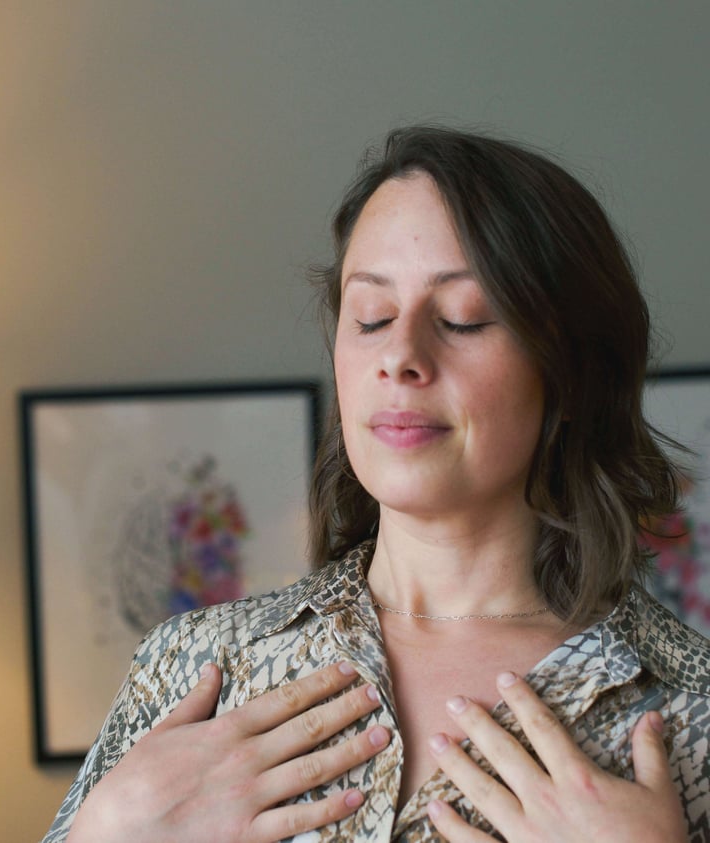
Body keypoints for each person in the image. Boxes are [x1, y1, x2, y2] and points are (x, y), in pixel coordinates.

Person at [42, 126, 710, 843]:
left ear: (573, 371)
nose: (400, 355)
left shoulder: (687, 713)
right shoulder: (194, 665)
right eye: (372, 317)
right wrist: (104, 833)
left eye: (463, 318)